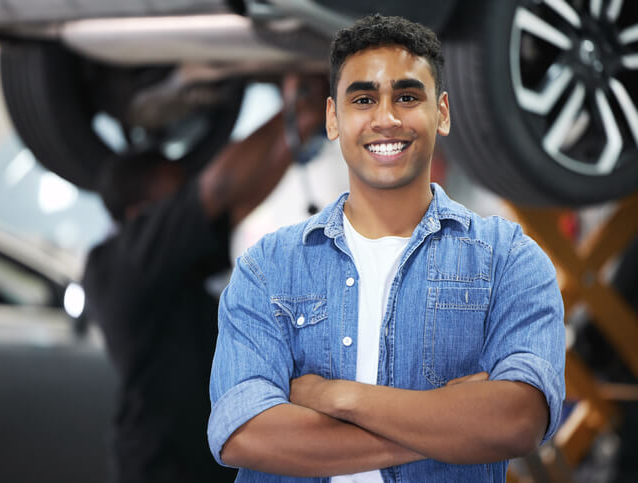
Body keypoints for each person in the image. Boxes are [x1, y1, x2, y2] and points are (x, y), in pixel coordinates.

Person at [208, 14, 566, 482]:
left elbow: (519, 420)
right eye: (363, 99)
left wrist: (340, 398)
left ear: (442, 112)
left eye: (407, 96)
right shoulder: (268, 267)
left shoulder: (509, 261)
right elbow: (244, 435)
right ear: (334, 119)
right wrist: (450, 422)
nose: (386, 118)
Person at [82, 77, 325, 483]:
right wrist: (290, 111)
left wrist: (302, 125)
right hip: (163, 463)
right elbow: (220, 188)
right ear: (142, 209)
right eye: (175, 193)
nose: (187, 199)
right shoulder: (124, 259)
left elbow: (237, 200)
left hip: (194, 454)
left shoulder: (163, 260)